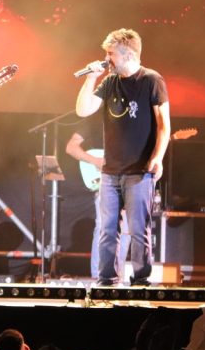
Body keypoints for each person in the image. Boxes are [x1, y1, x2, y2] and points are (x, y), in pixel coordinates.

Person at [75, 28, 170, 286]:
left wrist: (158, 156)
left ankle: (140, 280)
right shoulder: (109, 82)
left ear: (127, 54)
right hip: (110, 171)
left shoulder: (152, 80)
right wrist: (90, 79)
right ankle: (106, 280)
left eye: (110, 54)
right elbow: (83, 110)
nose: (106, 59)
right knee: (107, 229)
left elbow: (164, 125)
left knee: (139, 230)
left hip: (139, 170)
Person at [64, 114, 131, 280]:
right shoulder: (93, 121)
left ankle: (118, 275)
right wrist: (94, 160)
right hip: (104, 182)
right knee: (104, 226)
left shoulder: (132, 122)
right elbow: (71, 147)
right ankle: (98, 275)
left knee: (126, 230)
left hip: (125, 181)